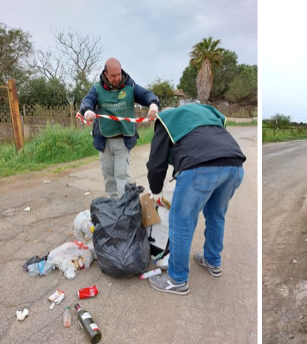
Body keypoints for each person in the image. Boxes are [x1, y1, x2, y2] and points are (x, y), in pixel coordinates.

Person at [146, 103, 246, 295]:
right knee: (216, 215)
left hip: (200, 169)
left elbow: (156, 162)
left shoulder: (165, 120)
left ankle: (177, 279)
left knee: (182, 221)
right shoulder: (206, 112)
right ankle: (212, 261)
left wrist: (155, 191)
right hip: (234, 166)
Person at [79, 57, 159, 198]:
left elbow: (147, 95)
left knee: (122, 174)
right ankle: (112, 206)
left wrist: (153, 103)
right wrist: (87, 111)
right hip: (104, 141)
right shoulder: (97, 88)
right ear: (105, 74)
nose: (117, 78)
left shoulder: (130, 86)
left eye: (119, 74)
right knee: (108, 175)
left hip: (123, 139)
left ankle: (125, 205)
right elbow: (87, 101)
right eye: (113, 76)